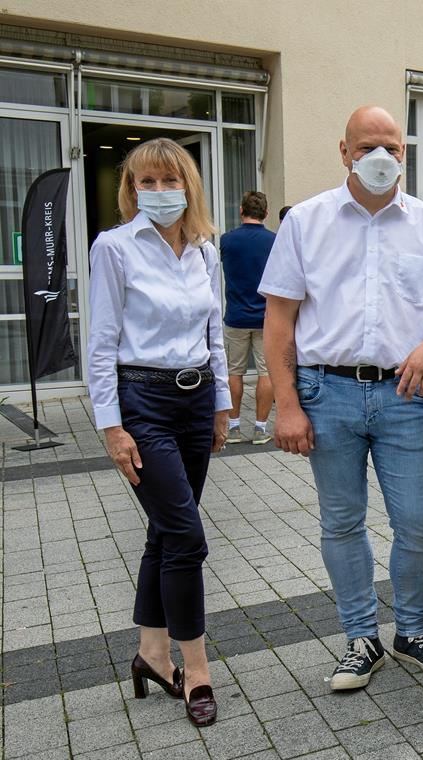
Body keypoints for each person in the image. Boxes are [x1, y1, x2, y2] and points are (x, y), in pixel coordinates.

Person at [260, 106, 423, 689]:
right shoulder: (306, 222)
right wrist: (286, 404)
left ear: (405, 154)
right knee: (342, 521)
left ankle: (411, 631)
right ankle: (360, 638)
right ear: (344, 152)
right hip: (324, 391)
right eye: (366, 146)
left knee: (418, 523)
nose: (379, 157)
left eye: (390, 146)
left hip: (406, 395)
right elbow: (280, 319)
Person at [87, 137, 230, 727]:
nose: (159, 193)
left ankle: (149, 654)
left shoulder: (205, 250)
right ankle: (195, 671)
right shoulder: (115, 248)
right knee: (188, 539)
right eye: (146, 183)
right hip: (142, 401)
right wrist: (111, 427)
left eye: (170, 181)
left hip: (197, 403)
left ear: (189, 186)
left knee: (164, 536)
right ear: (131, 190)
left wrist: (221, 403)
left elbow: (214, 331)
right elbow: (100, 346)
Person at [220, 190, 276, 445]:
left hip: (235, 317)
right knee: (267, 373)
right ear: (265, 213)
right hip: (266, 317)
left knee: (234, 372)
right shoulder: (274, 241)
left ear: (241, 211)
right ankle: (260, 428)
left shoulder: (226, 240)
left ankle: (232, 428)